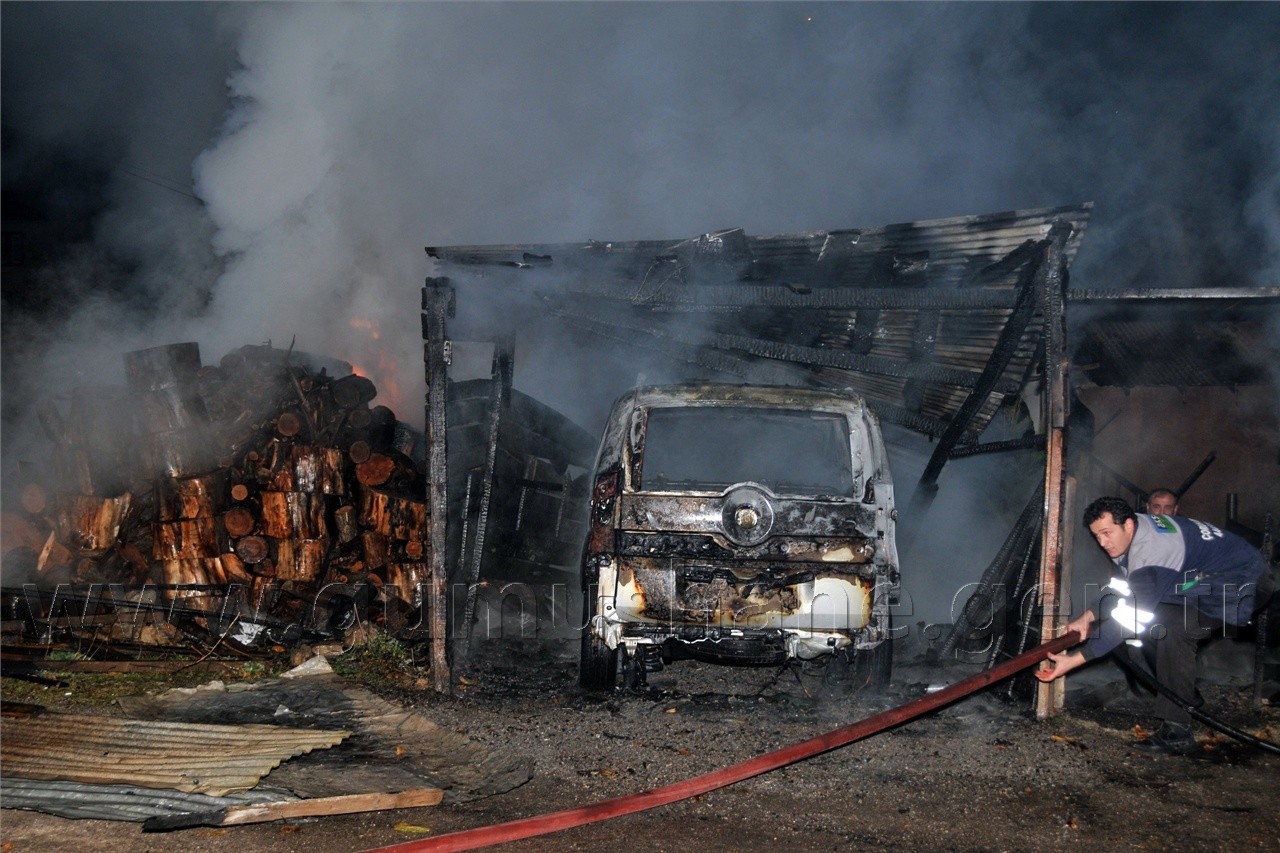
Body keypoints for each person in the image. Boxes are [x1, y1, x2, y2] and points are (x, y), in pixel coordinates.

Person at [1036, 496, 1271, 755]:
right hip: (1211, 575)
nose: (1102, 543)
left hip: (1243, 582)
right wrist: (1088, 616)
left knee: (1173, 626)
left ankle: (1177, 731)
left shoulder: (1149, 551)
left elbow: (1133, 614)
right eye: (1097, 536)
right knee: (1158, 615)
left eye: (1106, 533)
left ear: (1127, 524)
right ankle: (1184, 696)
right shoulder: (1135, 531)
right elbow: (1126, 587)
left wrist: (1078, 658)